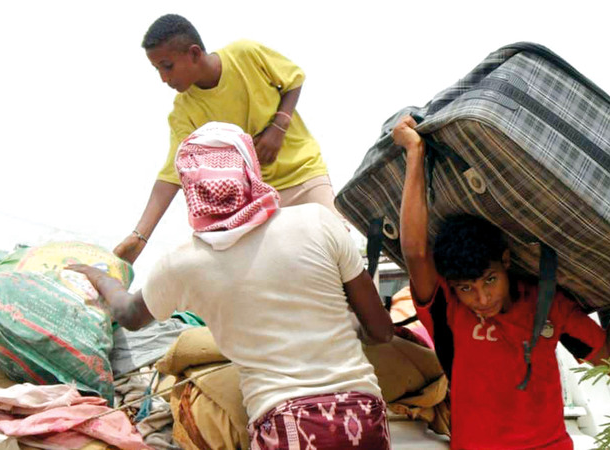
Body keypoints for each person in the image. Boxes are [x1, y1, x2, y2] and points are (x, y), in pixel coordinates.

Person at [72, 122, 393, 449]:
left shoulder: (182, 263)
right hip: (365, 416)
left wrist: (101, 278)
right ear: (250, 168)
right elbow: (381, 331)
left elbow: (129, 315)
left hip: (288, 424)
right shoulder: (318, 221)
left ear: (189, 186)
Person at [392, 115, 610, 449]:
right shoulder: (447, 308)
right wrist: (415, 152)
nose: (481, 298)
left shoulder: (547, 304)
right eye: (467, 288)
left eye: (490, 280)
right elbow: (415, 251)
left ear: (506, 262)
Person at [115, 14, 335, 263]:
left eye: (167, 66)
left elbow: (293, 78)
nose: (164, 78)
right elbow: (171, 174)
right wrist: (140, 236)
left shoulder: (245, 54)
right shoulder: (183, 112)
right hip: (254, 202)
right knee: (279, 270)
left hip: (303, 174)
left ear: (194, 54)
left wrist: (279, 125)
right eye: (157, 69)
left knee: (338, 248)